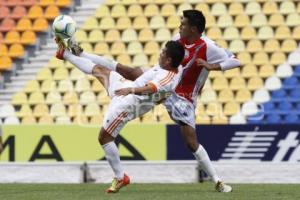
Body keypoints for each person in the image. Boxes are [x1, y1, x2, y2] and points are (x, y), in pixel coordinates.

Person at [66, 9, 240, 192]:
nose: (179, 26)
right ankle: (81, 54)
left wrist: (212, 66)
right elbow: (165, 65)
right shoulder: (176, 39)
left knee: (190, 142)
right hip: (164, 83)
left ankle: (217, 181)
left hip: (183, 98)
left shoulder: (208, 47)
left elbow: (235, 60)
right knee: (127, 71)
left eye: (183, 24)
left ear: (194, 29)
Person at [56, 39, 185, 193]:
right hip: (126, 88)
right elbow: (162, 94)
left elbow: (152, 88)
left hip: (129, 103)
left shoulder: (168, 76)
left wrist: (131, 90)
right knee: (101, 70)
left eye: (163, 53)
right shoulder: (175, 68)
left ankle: (120, 177)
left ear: (169, 60)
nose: (160, 54)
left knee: (104, 137)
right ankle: (68, 53)